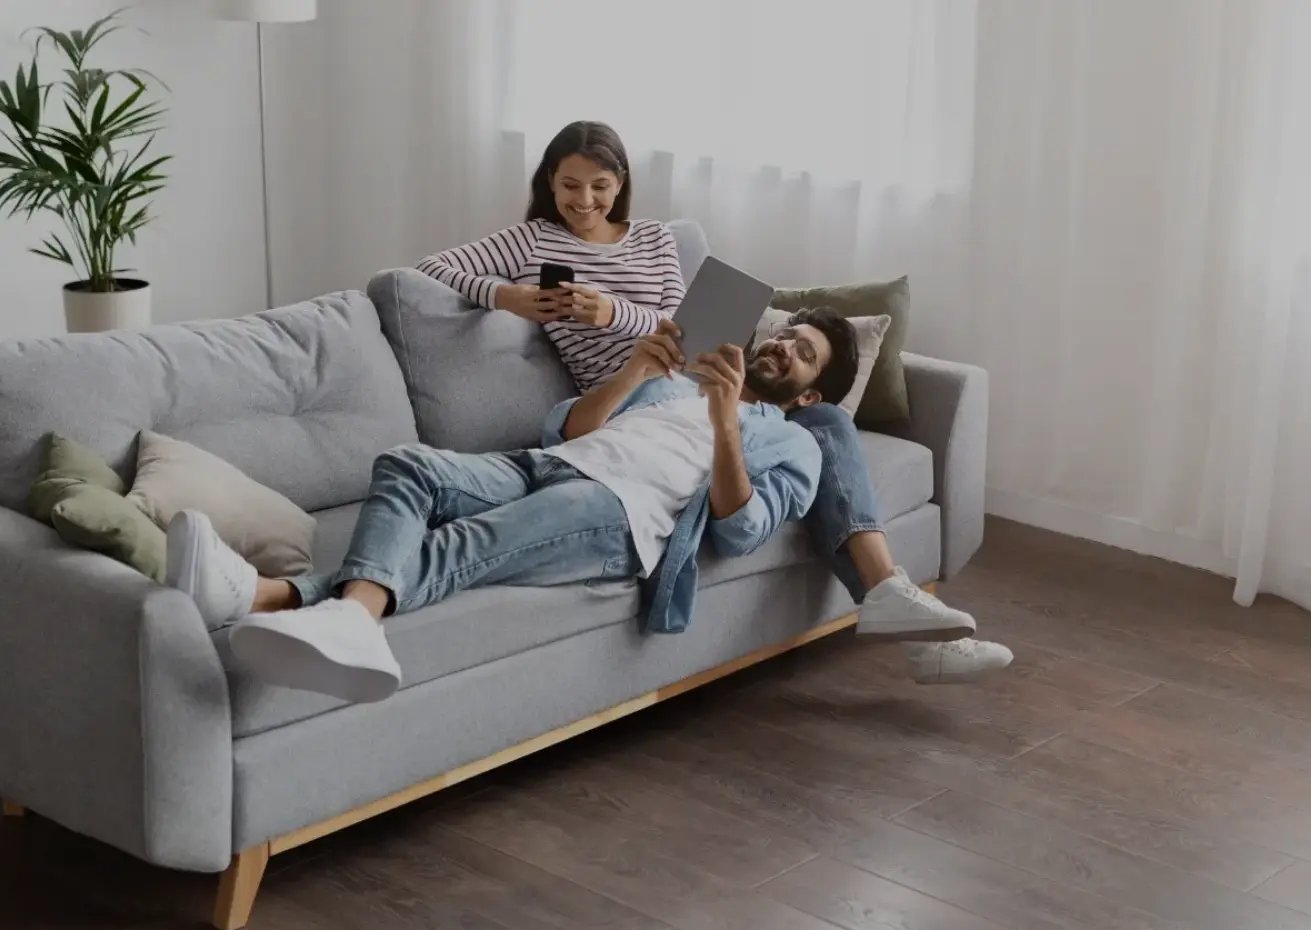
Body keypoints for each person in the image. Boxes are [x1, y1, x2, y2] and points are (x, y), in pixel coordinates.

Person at [416, 120, 1011, 680]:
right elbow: (427, 270)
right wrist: (509, 297)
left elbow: (680, 326)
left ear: (621, 184)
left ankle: (894, 604)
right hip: (634, 399)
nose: (585, 201)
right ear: (549, 182)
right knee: (826, 424)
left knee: (822, 424)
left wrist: (611, 311)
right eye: (570, 185)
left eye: (600, 186)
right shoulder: (532, 239)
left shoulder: (654, 239)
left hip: (686, 369)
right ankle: (892, 600)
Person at [171, 312, 923, 701]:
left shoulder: (793, 444)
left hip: (617, 514)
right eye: (784, 334)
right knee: (409, 465)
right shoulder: (674, 384)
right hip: (554, 464)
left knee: (468, 541)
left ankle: (276, 598)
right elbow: (566, 427)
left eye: (803, 354)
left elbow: (742, 529)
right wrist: (634, 370)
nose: (784, 347)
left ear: (813, 393)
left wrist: (727, 421)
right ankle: (334, 615)